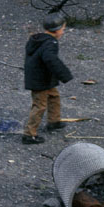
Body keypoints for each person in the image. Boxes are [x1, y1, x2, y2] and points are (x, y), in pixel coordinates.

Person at [22, 13, 72, 144]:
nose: (63, 32)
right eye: (63, 29)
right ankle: (29, 134)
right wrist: (64, 74)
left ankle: (54, 121)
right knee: (39, 106)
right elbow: (50, 59)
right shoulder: (50, 43)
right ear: (57, 31)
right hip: (40, 80)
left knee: (54, 97)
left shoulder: (38, 39)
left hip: (43, 78)